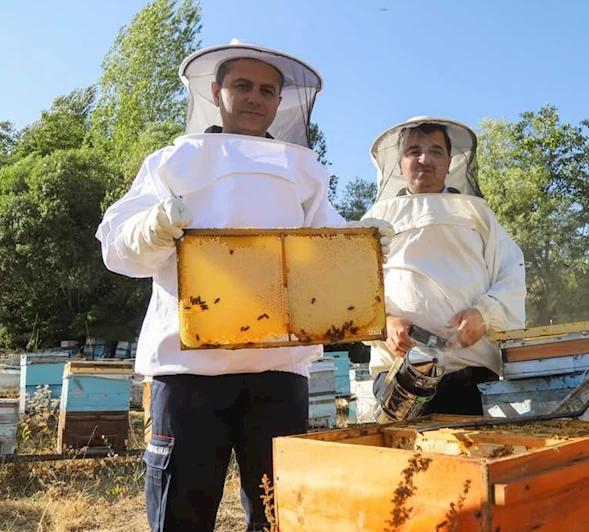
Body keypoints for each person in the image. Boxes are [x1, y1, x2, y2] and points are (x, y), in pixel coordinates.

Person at [95, 39, 392, 532]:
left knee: (281, 515)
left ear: (280, 101)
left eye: (267, 90)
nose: (255, 97)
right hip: (189, 368)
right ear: (216, 91)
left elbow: (328, 251)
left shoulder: (304, 169)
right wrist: (152, 227)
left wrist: (365, 245)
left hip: (279, 368)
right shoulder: (174, 160)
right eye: (242, 85)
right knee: (181, 515)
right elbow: (116, 248)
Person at [364, 117, 526, 417]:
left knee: (473, 460)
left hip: (472, 377)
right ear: (400, 163)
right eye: (413, 150)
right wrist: (383, 322)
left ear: (449, 161)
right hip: (399, 375)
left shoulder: (478, 215)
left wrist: (484, 315)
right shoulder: (375, 222)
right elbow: (350, 292)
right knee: (408, 462)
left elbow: (511, 273)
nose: (424, 159)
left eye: (435, 151)